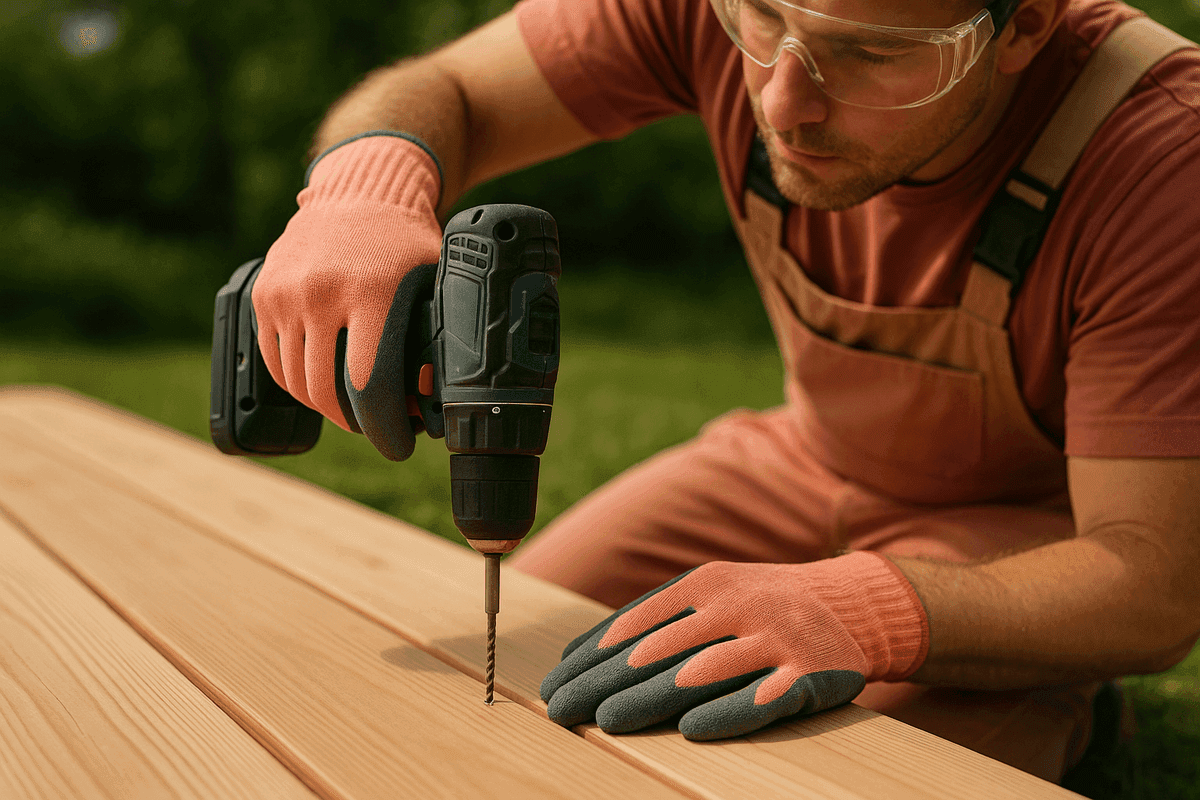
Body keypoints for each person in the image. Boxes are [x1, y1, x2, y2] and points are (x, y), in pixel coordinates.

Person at [249, 0, 1200, 784]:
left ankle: (1062, 699)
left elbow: (1155, 578)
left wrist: (871, 614)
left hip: (1021, 533)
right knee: (523, 661)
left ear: (1024, 24)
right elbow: (448, 84)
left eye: (869, 54)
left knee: (844, 768)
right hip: (798, 459)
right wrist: (365, 186)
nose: (783, 103)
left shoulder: (1163, 155)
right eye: (758, 19)